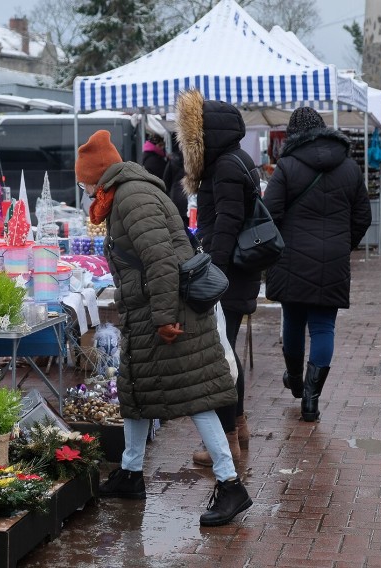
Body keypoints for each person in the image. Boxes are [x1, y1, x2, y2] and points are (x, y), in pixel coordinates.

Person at [76, 129, 252, 527]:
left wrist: (163, 317)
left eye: (84, 180)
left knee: (196, 396)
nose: (83, 188)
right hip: (151, 312)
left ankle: (230, 484)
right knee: (136, 389)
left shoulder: (133, 198)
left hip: (170, 313)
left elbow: (159, 261)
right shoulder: (124, 195)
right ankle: (131, 473)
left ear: (99, 174)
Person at [262, 107, 371, 422]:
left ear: (293, 134)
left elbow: (270, 215)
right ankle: (311, 400)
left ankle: (295, 381)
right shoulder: (350, 168)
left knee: (294, 323)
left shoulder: (287, 166)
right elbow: (363, 216)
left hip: (291, 259)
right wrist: (342, 244)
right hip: (333, 261)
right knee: (324, 327)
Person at [175, 89, 261, 465]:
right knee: (227, 352)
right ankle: (238, 426)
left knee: (220, 357)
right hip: (238, 273)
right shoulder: (236, 160)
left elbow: (225, 227)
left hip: (228, 276)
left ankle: (226, 441)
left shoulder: (225, 166)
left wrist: (212, 277)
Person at [162, 141, 188, 227]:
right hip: (189, 196)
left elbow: (166, 181)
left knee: (179, 225)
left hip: (175, 196)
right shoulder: (193, 161)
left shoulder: (172, 160)